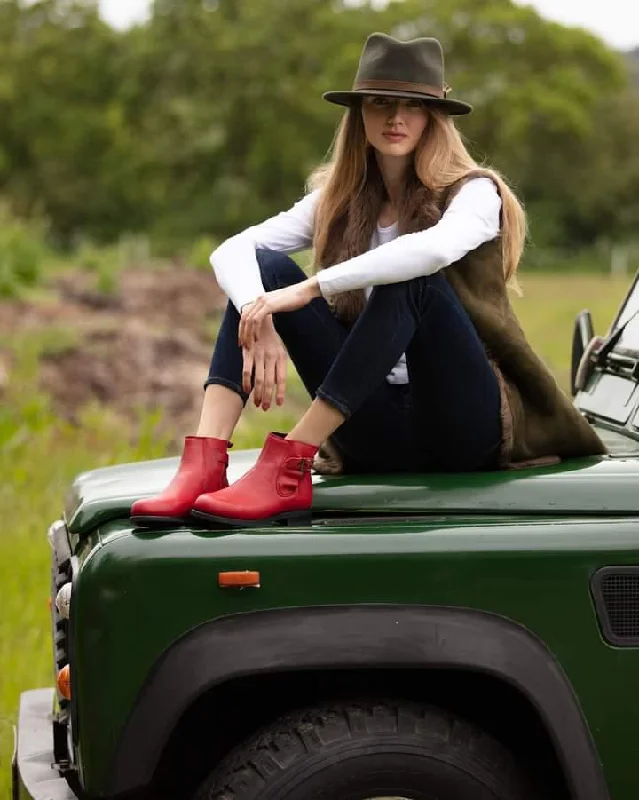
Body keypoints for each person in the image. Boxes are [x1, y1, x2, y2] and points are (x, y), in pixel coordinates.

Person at [130, 32, 605, 529]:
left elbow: (433, 251)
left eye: (412, 106)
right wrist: (259, 312)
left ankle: (289, 465)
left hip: (461, 420)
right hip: (371, 420)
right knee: (260, 269)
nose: (395, 118)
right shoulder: (337, 200)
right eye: (380, 103)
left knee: (414, 281)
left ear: (433, 117)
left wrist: (311, 287)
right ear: (359, 114)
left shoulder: (475, 194)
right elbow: (231, 250)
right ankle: (205, 463)